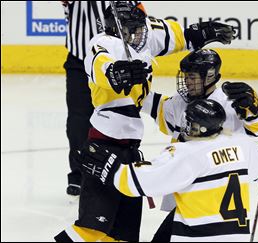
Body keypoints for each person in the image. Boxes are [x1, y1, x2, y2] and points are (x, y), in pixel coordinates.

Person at [55, 1, 236, 241]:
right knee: (91, 229)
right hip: (103, 147)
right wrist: (116, 72)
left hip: (130, 151)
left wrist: (204, 31)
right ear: (121, 30)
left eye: (142, 29)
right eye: (137, 31)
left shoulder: (144, 33)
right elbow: (99, 65)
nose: (143, 35)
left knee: (125, 235)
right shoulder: (103, 42)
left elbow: (176, 36)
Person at [77, 99, 258, 242]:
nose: (186, 129)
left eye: (191, 125)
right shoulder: (243, 147)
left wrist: (108, 167)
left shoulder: (188, 154)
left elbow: (138, 182)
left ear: (202, 128)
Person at [141, 48, 258, 241]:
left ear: (209, 76)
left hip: (211, 195)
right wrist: (133, 85)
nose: (187, 82)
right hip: (188, 191)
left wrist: (255, 109)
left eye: (192, 77)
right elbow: (155, 106)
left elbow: (254, 127)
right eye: (186, 76)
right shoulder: (180, 103)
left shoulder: (228, 104)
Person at [60, 1, 109, 196]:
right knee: (78, 121)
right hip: (79, 62)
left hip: (112, 62)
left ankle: (109, 172)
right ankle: (79, 175)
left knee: (112, 118)